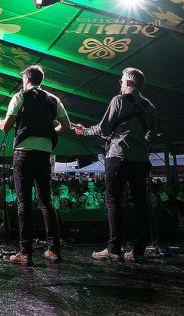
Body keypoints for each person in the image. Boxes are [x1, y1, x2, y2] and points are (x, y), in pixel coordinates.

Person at [0, 65, 71, 265]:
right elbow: (66, 126)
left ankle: (25, 252)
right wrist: (48, 132)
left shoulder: (19, 97)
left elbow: (6, 126)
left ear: (27, 79)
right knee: (46, 202)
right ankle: (53, 250)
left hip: (24, 154)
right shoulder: (53, 99)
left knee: (23, 203)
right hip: (44, 154)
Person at [74, 68, 156, 262]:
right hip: (141, 160)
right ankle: (138, 250)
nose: (119, 84)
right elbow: (152, 135)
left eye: (121, 81)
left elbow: (103, 128)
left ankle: (114, 248)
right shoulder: (150, 107)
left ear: (128, 82)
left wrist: (84, 131)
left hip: (118, 156)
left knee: (113, 201)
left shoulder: (118, 101)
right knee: (141, 203)